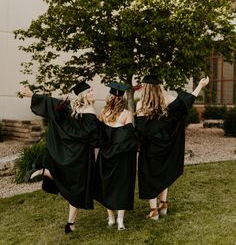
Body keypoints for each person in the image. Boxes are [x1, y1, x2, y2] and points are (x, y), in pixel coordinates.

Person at [20, 81, 98, 234]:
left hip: (74, 153)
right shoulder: (89, 110)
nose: (92, 93)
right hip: (81, 156)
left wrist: (32, 95)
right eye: (89, 91)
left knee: (74, 188)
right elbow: (89, 134)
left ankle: (70, 223)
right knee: (77, 188)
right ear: (83, 95)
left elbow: (53, 104)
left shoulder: (72, 107)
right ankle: (45, 172)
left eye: (92, 91)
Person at [135, 74, 209, 220]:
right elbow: (186, 103)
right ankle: (164, 204)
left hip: (150, 148)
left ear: (146, 87)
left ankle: (154, 211)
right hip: (166, 145)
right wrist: (200, 86)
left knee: (150, 176)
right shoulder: (167, 99)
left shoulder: (141, 105)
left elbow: (141, 132)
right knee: (163, 174)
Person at [94, 82, 138, 230]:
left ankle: (111, 219)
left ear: (109, 97)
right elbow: (129, 139)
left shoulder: (102, 113)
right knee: (121, 186)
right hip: (121, 157)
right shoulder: (127, 114)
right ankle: (120, 220)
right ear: (122, 99)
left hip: (106, 155)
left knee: (106, 185)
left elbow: (98, 135)